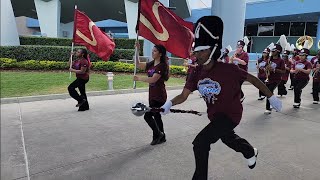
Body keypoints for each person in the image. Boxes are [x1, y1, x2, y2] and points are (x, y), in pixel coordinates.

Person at [160, 16, 282, 180]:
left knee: (200, 143)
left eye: (202, 50)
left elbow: (253, 79)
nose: (198, 54)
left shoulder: (228, 69)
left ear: (212, 49)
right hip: (215, 116)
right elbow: (183, 95)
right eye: (197, 51)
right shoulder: (196, 72)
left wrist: (272, 98)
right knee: (227, 138)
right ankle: (249, 151)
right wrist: (169, 103)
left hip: (231, 114)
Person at [133, 43, 169, 145]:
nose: (152, 53)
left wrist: (139, 78)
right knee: (156, 116)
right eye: (152, 51)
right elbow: (138, 64)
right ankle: (161, 137)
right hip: (152, 94)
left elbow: (153, 79)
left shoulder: (162, 66)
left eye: (155, 51)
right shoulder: (151, 63)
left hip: (159, 95)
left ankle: (158, 135)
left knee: (147, 116)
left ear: (160, 54)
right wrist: (137, 50)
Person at [263, 44, 286, 114]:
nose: (272, 52)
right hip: (269, 79)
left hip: (277, 79)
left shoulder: (281, 60)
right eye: (272, 51)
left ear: (278, 52)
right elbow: (265, 68)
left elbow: (283, 71)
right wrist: (266, 69)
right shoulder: (269, 59)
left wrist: (274, 70)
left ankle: (268, 108)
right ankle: (273, 104)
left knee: (269, 91)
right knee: (269, 92)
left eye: (274, 51)